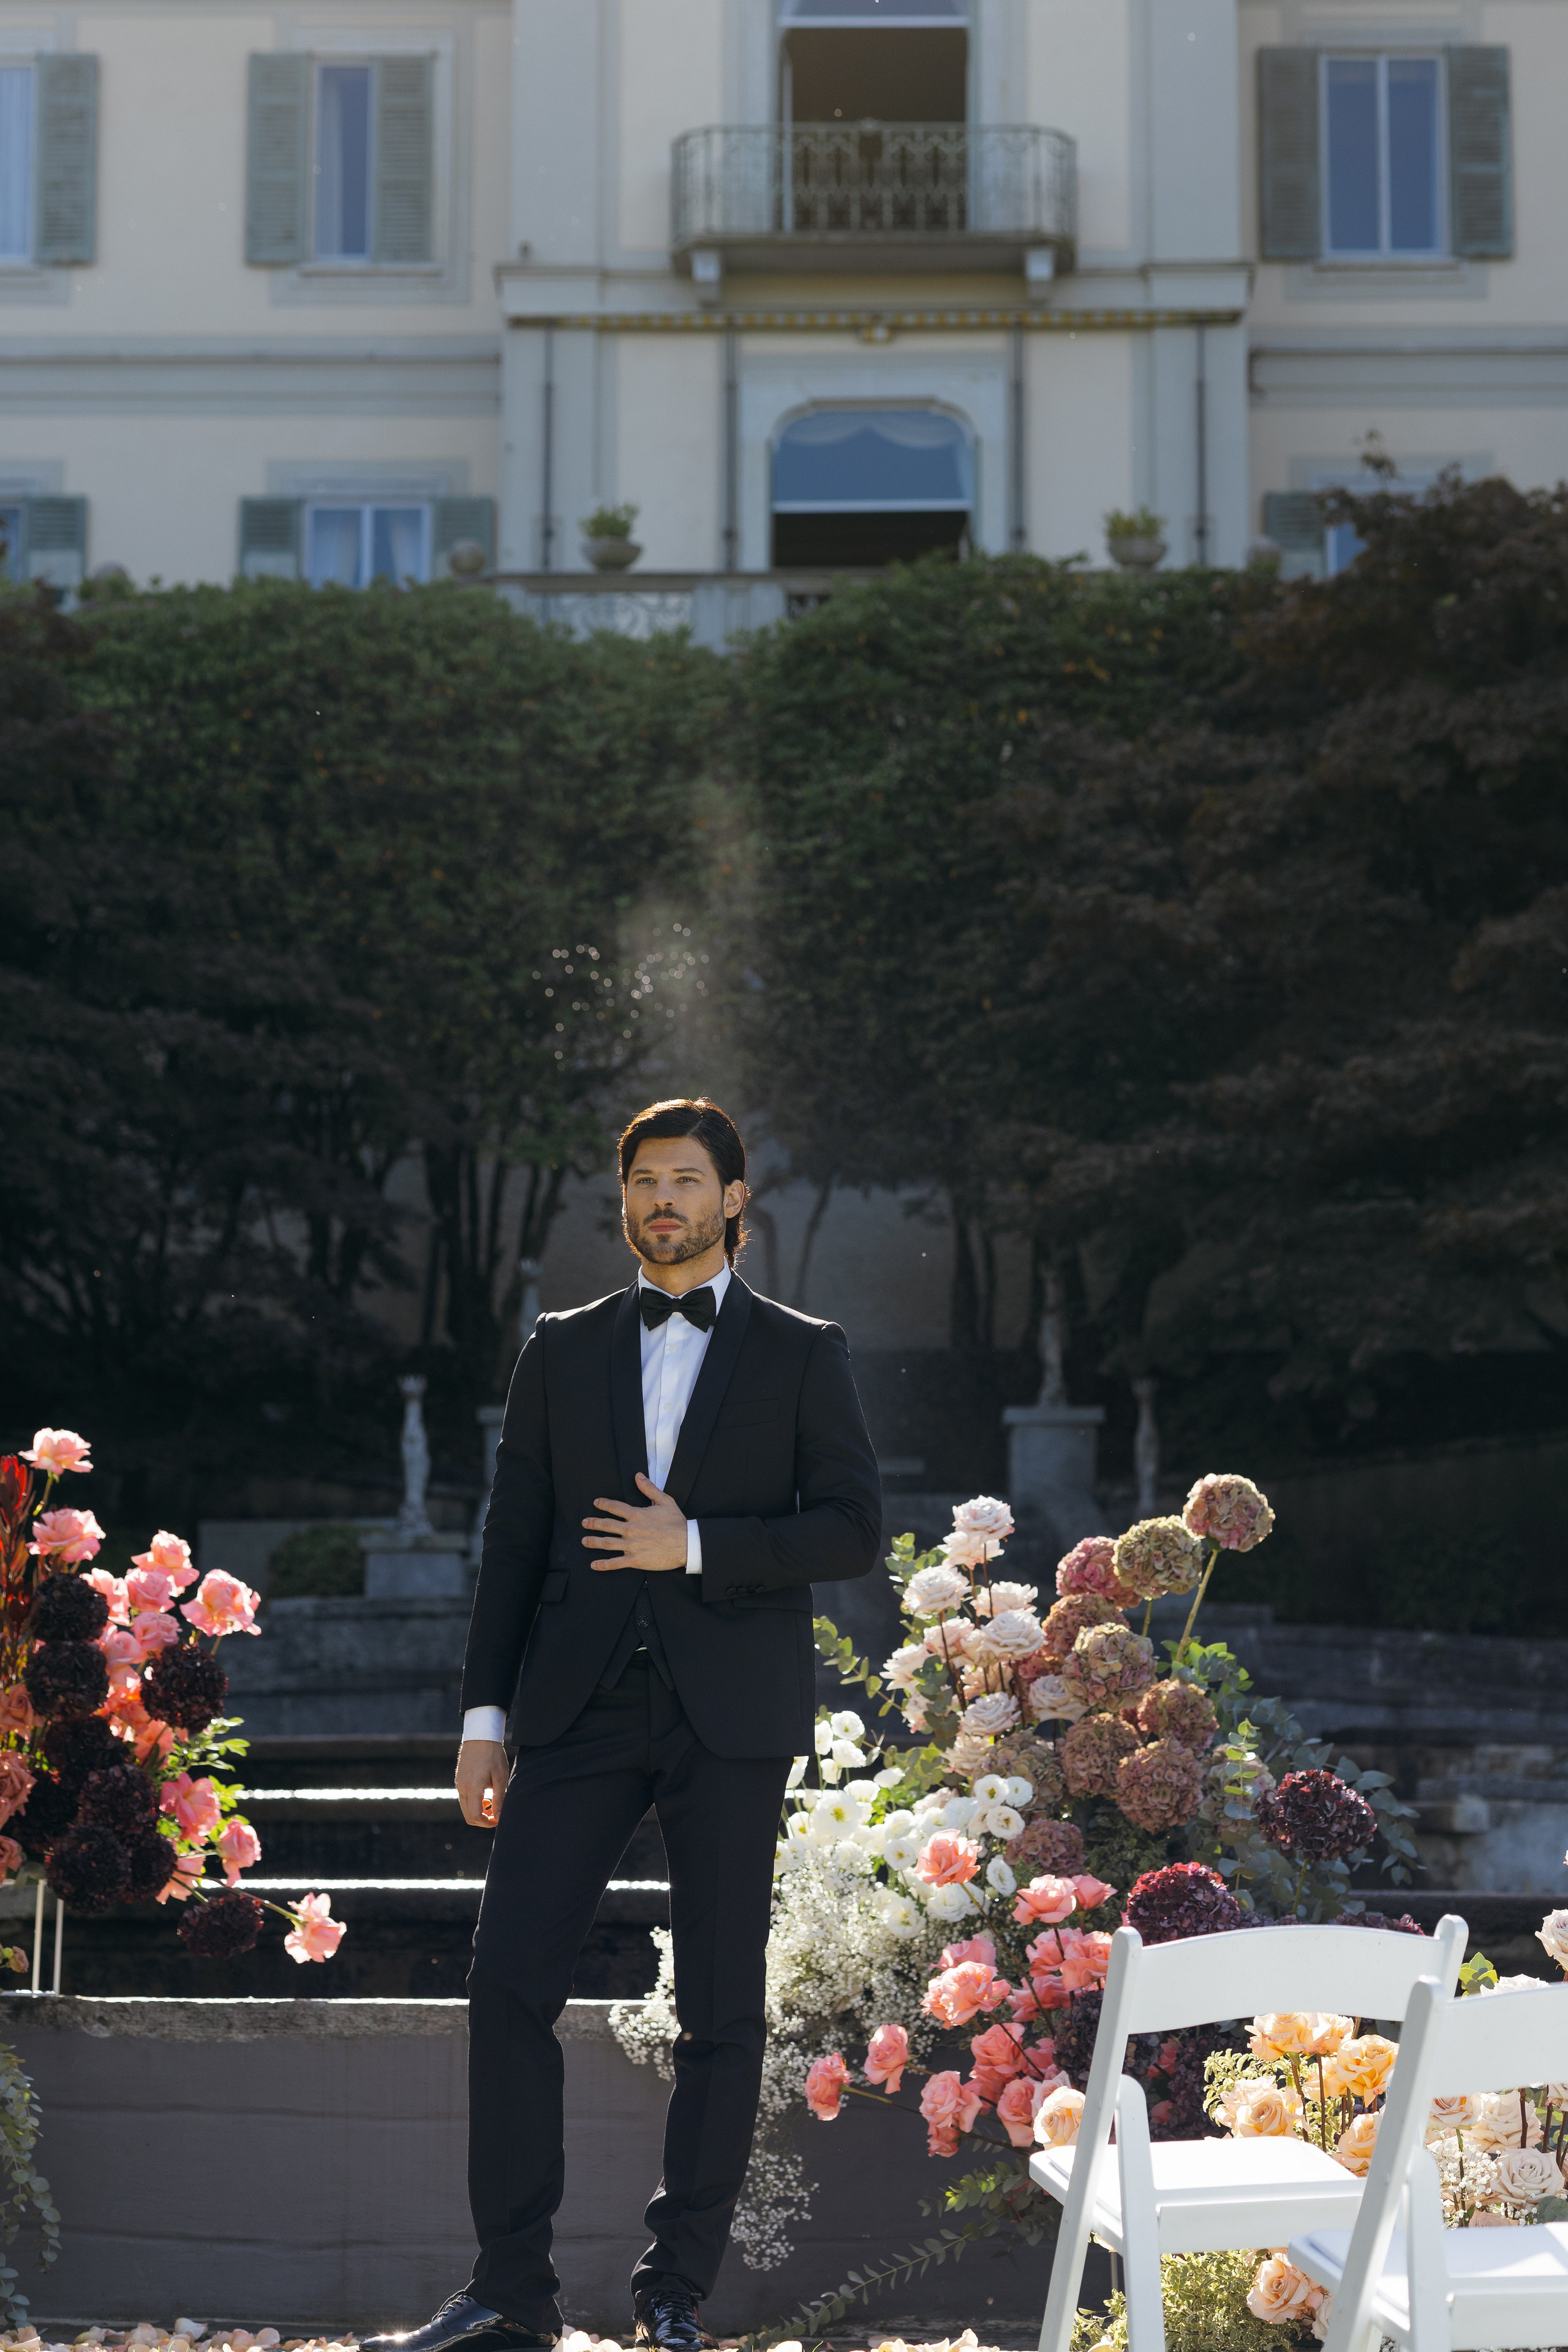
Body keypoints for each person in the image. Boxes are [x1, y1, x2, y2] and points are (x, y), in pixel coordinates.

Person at [367, 1098, 881, 2352]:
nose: (664, 1199)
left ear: (732, 1203)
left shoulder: (804, 1352)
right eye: (645, 1180)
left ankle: (675, 2297)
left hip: (730, 1716)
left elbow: (851, 1528)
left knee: (720, 2008)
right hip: (577, 1706)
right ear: (625, 1202)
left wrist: (692, 1542)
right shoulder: (560, 1348)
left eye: (687, 1180)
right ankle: (508, 2294)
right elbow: (513, 1539)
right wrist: (484, 1714)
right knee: (505, 1979)